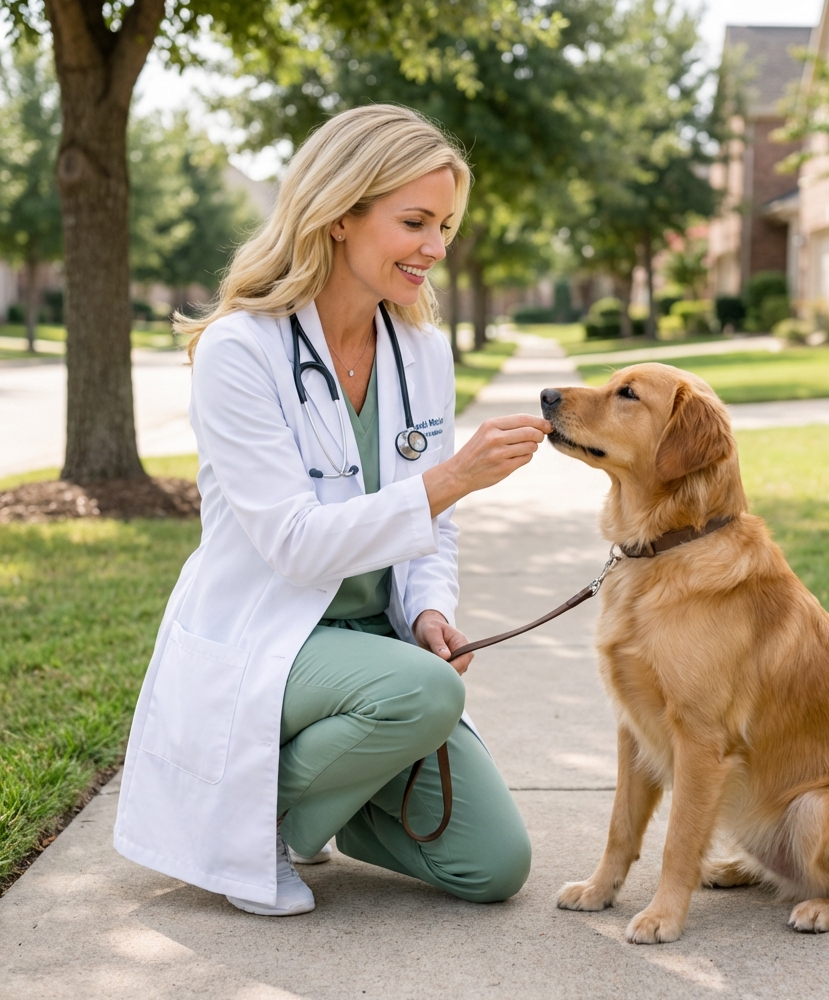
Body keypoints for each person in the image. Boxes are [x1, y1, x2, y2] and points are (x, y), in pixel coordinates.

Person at [113, 104, 551, 915]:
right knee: (424, 696)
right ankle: (263, 827)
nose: (437, 248)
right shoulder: (241, 350)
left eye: (446, 225)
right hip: (274, 633)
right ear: (342, 214)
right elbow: (294, 545)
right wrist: (451, 477)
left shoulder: (420, 351)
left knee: (494, 865)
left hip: (376, 647)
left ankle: (328, 804)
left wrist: (426, 614)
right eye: (415, 221)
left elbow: (432, 534)